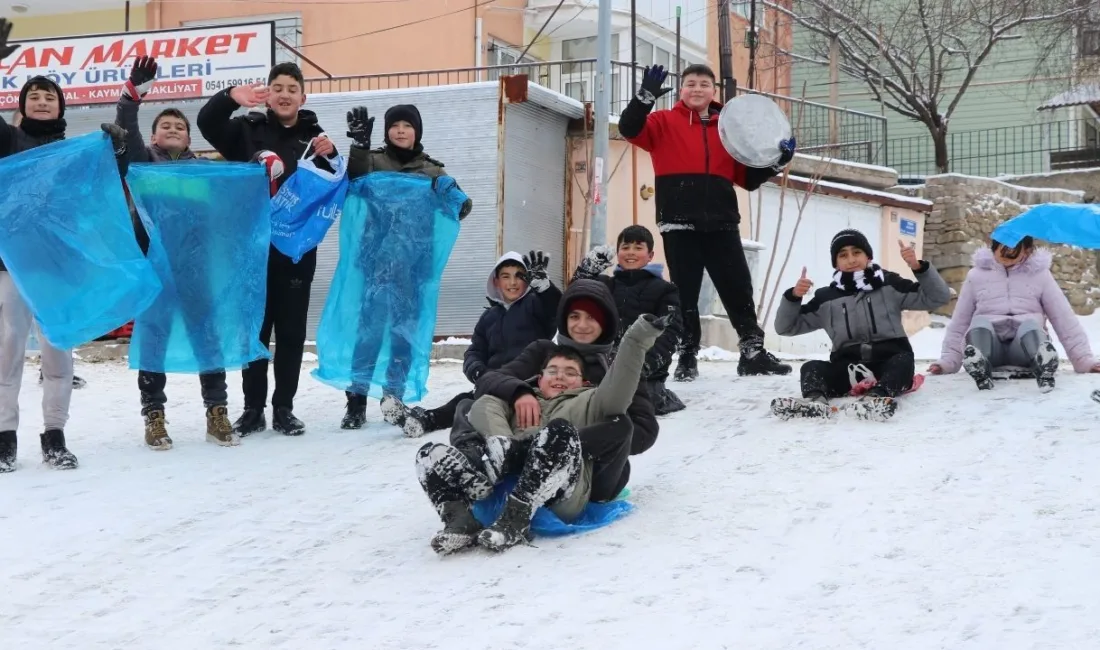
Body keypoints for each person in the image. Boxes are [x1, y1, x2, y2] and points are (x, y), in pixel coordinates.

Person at [415, 311, 669, 554]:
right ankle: (459, 519)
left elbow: (618, 387)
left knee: (558, 432)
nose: (561, 376)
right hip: (501, 484)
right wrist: (505, 430)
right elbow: (484, 402)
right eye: (553, 371)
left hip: (560, 496)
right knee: (429, 454)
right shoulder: (517, 403)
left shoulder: (591, 401)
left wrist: (637, 339)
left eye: (571, 373)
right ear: (539, 378)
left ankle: (517, 517)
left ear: (584, 382)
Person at [0, 18, 129, 472]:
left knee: (58, 353)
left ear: (60, 106)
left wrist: (115, 144)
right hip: (11, 268)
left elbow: (105, 190)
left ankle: (54, 435)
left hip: (57, 266)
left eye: (48, 95)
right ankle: (4, 438)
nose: (40, 100)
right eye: (32, 95)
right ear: (21, 106)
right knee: (7, 351)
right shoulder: (7, 140)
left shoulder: (77, 150)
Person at [618, 63, 795, 381]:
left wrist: (778, 161)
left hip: (722, 219)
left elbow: (747, 178)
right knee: (684, 292)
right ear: (681, 89)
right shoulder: (661, 122)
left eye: (703, 84)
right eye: (690, 84)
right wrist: (645, 97)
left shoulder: (729, 130)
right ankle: (687, 355)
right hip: (678, 220)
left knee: (737, 286)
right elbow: (629, 128)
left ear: (714, 91)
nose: (696, 89)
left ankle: (752, 351)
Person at [198, 62, 335, 437]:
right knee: (254, 333)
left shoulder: (316, 140)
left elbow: (336, 185)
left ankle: (284, 409)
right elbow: (207, 124)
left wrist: (335, 155)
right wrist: (229, 99)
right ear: (269, 95)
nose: (285, 94)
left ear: (303, 97)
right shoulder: (246, 130)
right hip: (251, 251)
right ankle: (253, 409)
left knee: (290, 334)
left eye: (292, 88)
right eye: (278, 87)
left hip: (296, 254)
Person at [116, 55, 236, 449]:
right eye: (165, 125)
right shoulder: (141, 162)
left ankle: (217, 412)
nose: (173, 129)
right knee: (154, 338)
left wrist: (263, 163)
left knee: (207, 337)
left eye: (179, 127)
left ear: (188, 138)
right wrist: (133, 96)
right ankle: (154, 415)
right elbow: (128, 126)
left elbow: (241, 181)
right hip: (154, 269)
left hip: (194, 268)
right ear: (154, 137)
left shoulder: (204, 169)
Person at [340, 103, 473, 427]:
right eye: (394, 125)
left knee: (404, 335)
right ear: (386, 130)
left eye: (407, 125)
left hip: (414, 269)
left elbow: (463, 208)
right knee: (369, 332)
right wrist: (357, 146)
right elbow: (351, 180)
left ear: (417, 132)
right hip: (377, 266)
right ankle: (355, 401)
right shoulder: (373, 162)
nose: (400, 130)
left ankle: (393, 397)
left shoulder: (431, 171)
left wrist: (451, 192)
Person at [376, 250, 560, 436]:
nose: (512, 283)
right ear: (496, 281)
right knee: (463, 402)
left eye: (519, 276)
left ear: (527, 279)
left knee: (474, 407)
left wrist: (545, 289)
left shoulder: (535, 306)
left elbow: (557, 312)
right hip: (495, 381)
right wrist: (477, 370)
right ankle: (422, 419)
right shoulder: (488, 318)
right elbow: (475, 352)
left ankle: (431, 421)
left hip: (526, 383)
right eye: (506, 276)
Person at [772, 229, 951, 421]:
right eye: (843, 255)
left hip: (888, 366)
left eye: (857, 252)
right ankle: (815, 403)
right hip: (848, 370)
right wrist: (793, 297)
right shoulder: (825, 298)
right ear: (836, 263)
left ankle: (876, 398)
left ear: (868, 256)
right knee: (811, 368)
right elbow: (785, 327)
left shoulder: (889, 284)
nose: (851, 260)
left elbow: (938, 297)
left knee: (904, 362)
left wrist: (918, 267)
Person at [929, 237, 1100, 391]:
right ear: (992, 247)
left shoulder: (1040, 275)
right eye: (1001, 254)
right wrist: (948, 362)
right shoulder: (976, 276)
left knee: (1031, 325)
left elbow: (1064, 319)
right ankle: (979, 366)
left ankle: (1043, 363)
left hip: (1024, 350)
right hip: (990, 351)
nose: (1006, 261)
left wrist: (1083, 360)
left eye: (1013, 255)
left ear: (1027, 250)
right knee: (979, 323)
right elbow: (960, 321)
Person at [572, 224, 685, 415]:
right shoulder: (604, 284)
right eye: (625, 247)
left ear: (650, 255)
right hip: (600, 369)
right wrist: (585, 273)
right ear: (618, 252)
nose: (630, 252)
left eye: (638, 248)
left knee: (633, 405)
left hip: (645, 375)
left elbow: (671, 333)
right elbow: (574, 301)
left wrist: (642, 365)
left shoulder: (665, 290)